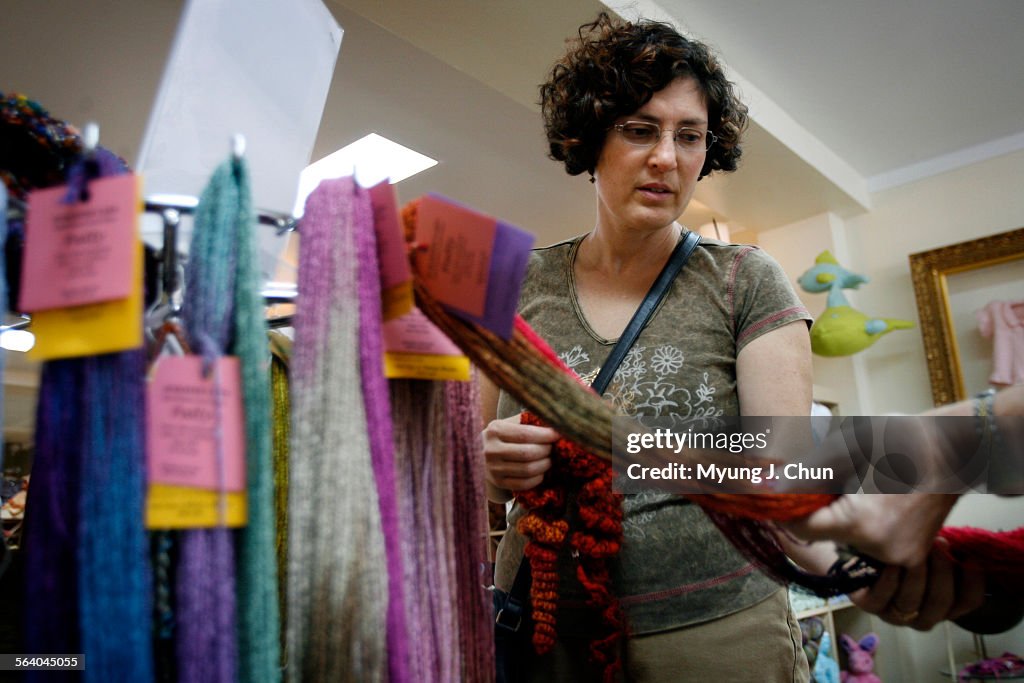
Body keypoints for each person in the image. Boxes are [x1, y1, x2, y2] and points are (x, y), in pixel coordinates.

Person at [481, 13, 816, 681]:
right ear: (590, 137)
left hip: (718, 631)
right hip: (546, 626)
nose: (667, 156)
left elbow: (784, 468)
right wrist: (492, 463)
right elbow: (463, 468)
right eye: (640, 129)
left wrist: (609, 442)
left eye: (689, 136)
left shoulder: (745, 279)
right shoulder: (514, 282)